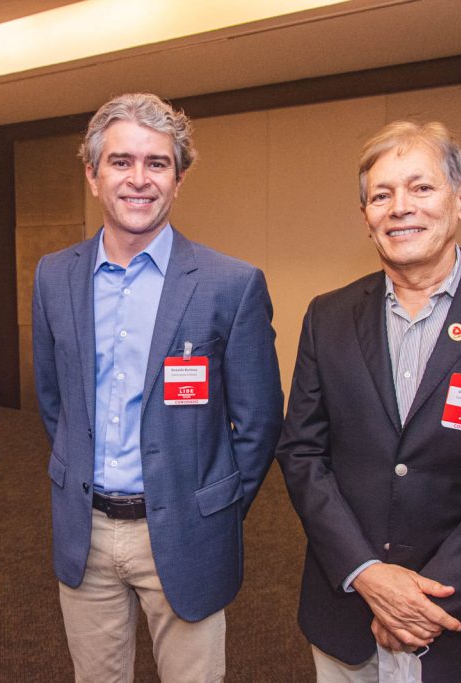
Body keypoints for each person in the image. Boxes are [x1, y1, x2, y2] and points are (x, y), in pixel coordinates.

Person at [276, 121, 461, 682]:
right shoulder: (328, 316)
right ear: (365, 217)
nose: (400, 208)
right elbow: (302, 454)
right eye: (381, 195)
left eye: (421, 188)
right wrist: (367, 573)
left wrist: (426, 603)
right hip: (347, 610)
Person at [32, 93, 284, 682]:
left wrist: (210, 509)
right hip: (85, 530)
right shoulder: (54, 275)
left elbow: (259, 421)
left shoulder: (231, 284)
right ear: (93, 175)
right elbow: (55, 400)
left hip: (185, 532)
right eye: (121, 162)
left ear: (179, 179)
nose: (138, 180)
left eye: (158, 163)